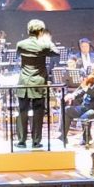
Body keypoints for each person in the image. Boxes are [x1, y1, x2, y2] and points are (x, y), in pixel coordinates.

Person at [15, 19, 58, 148]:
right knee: (38, 112)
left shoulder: (21, 44)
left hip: (24, 82)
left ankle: (21, 141)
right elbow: (56, 53)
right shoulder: (45, 45)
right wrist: (47, 41)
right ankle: (36, 141)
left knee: (22, 111)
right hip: (39, 82)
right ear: (41, 31)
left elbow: (18, 54)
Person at [60, 61, 94, 145]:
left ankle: (86, 138)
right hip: (86, 107)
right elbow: (83, 90)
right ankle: (63, 137)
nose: (92, 71)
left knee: (85, 116)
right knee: (67, 110)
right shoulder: (93, 79)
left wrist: (85, 87)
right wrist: (73, 96)